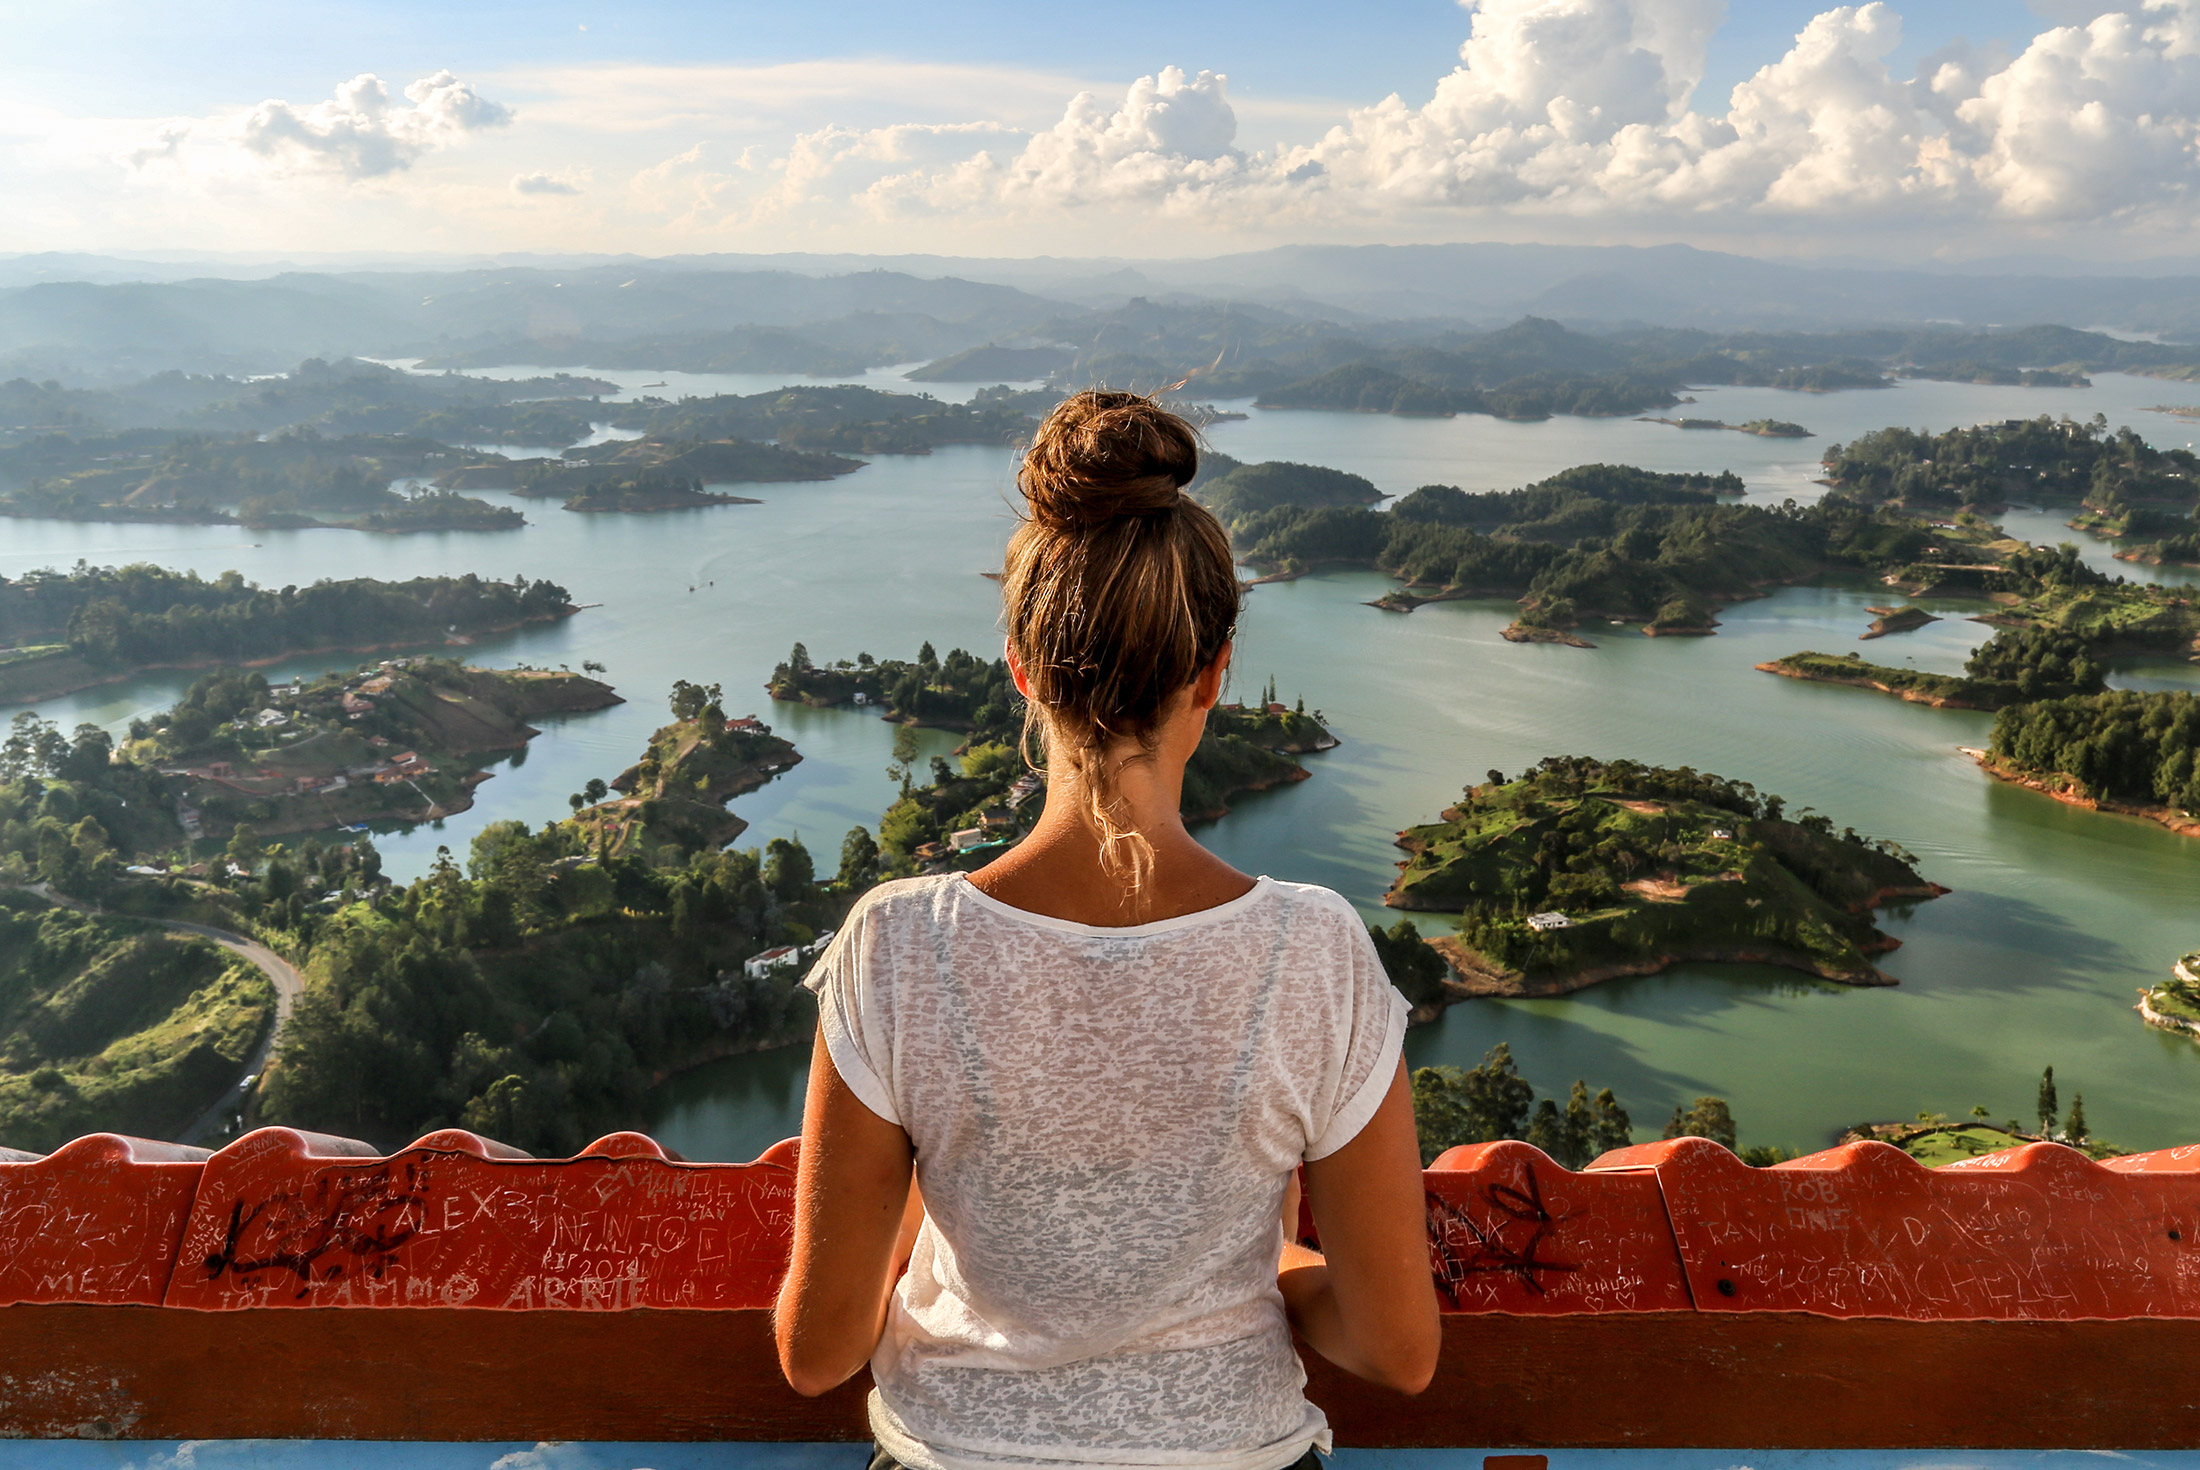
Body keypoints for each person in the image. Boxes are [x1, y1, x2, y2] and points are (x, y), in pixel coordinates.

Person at [774, 391, 1440, 1470]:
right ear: (1215, 676)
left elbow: (818, 1353)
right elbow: (1394, 1348)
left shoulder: (898, 946)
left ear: (1024, 673)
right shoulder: (1313, 952)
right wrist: (1264, 1263)